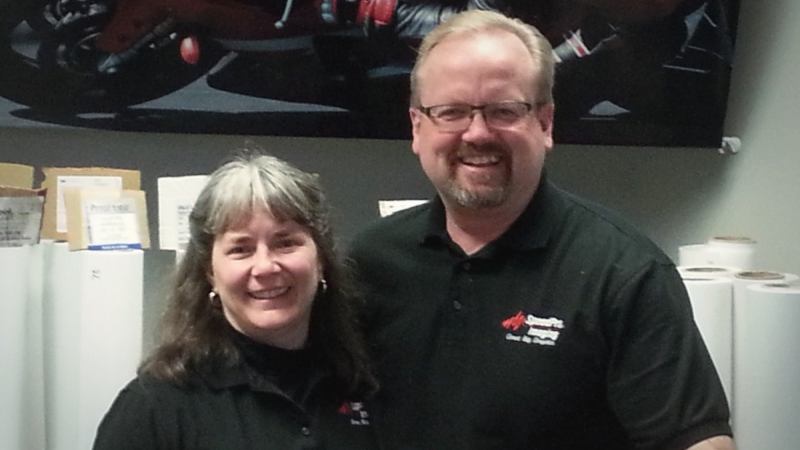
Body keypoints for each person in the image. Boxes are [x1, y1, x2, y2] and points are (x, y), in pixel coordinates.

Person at [348, 10, 734, 450]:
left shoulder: (624, 273)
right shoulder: (370, 262)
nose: (477, 133)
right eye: (451, 112)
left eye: (504, 111)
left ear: (546, 123)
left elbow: (700, 442)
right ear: (418, 128)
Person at [93, 152, 379, 450]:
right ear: (210, 273)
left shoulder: (365, 384)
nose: (265, 266)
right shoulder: (154, 407)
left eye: (286, 243)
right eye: (241, 249)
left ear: (321, 260)